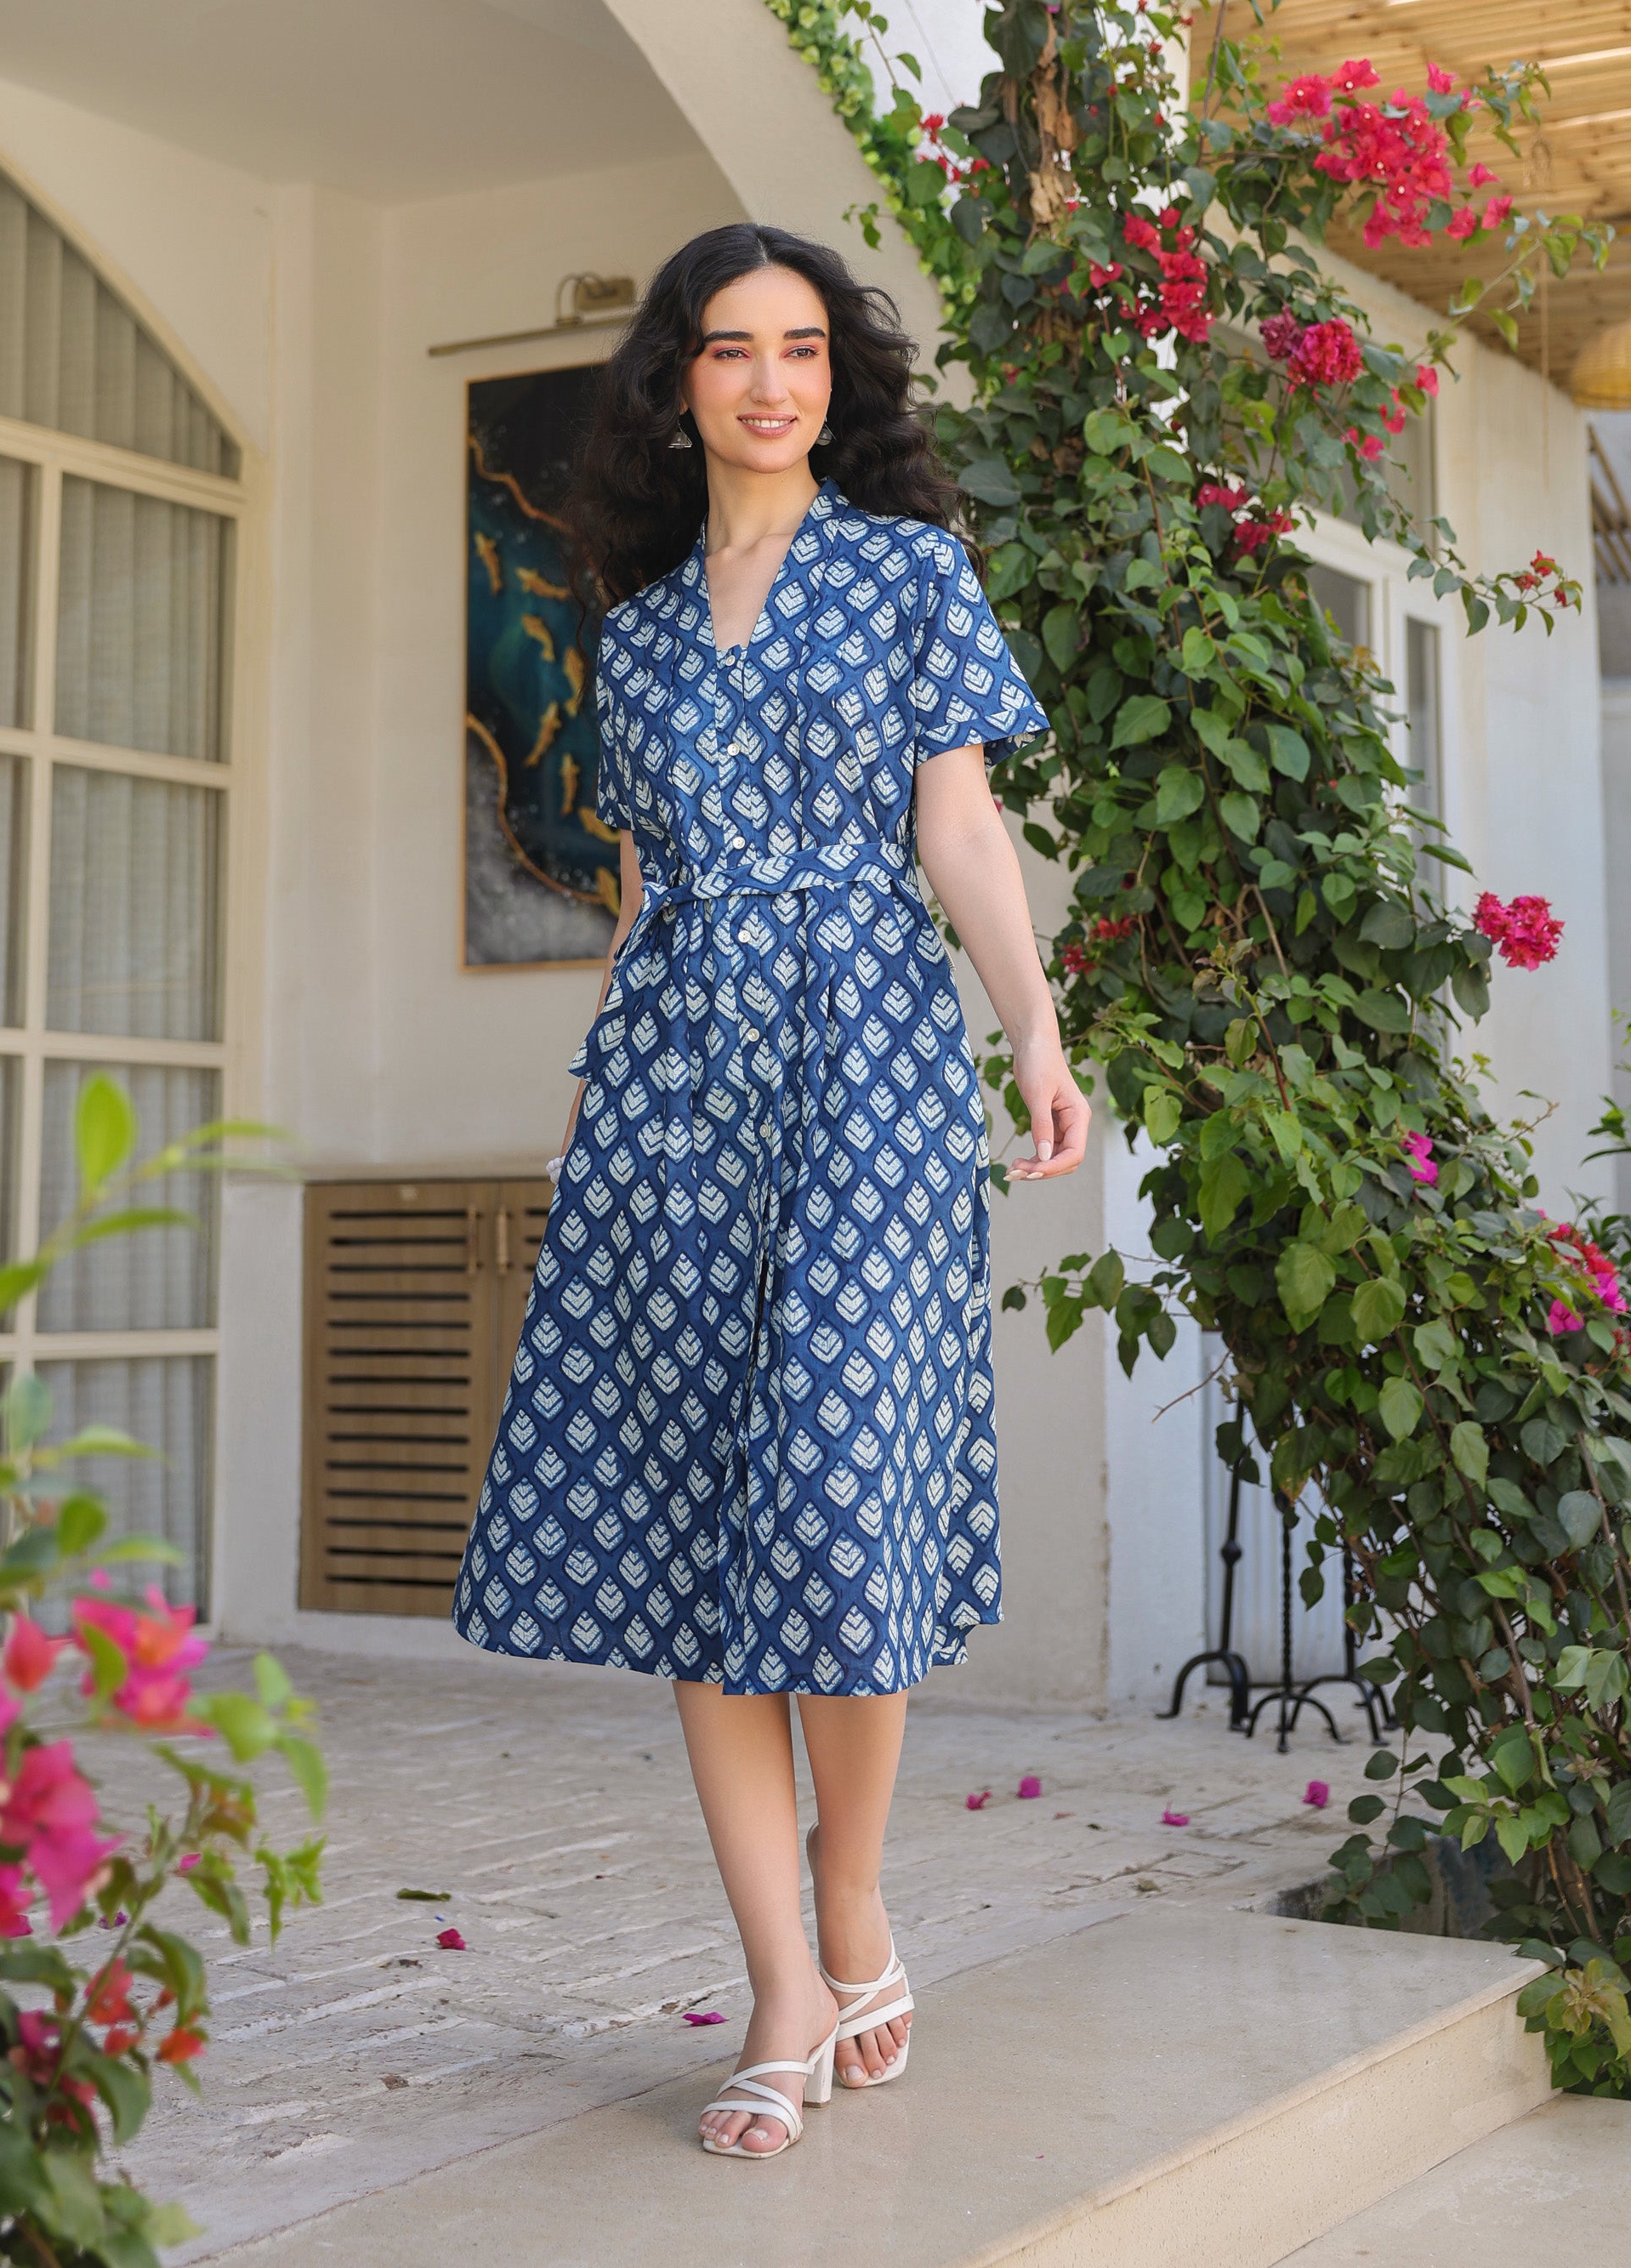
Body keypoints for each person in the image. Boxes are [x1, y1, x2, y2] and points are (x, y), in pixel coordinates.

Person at [452, 223, 1091, 2159]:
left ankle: (855, 1893)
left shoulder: (909, 572)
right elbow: (638, 894)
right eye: (729, 349)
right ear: (677, 384)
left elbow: (957, 827)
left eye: (802, 347)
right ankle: (782, 1985)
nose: (768, 381)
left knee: (828, 1492)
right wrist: (595, 1103)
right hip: (668, 1093)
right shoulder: (629, 629)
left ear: (837, 378)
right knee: (690, 1538)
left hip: (869, 1076)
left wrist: (1037, 1038)